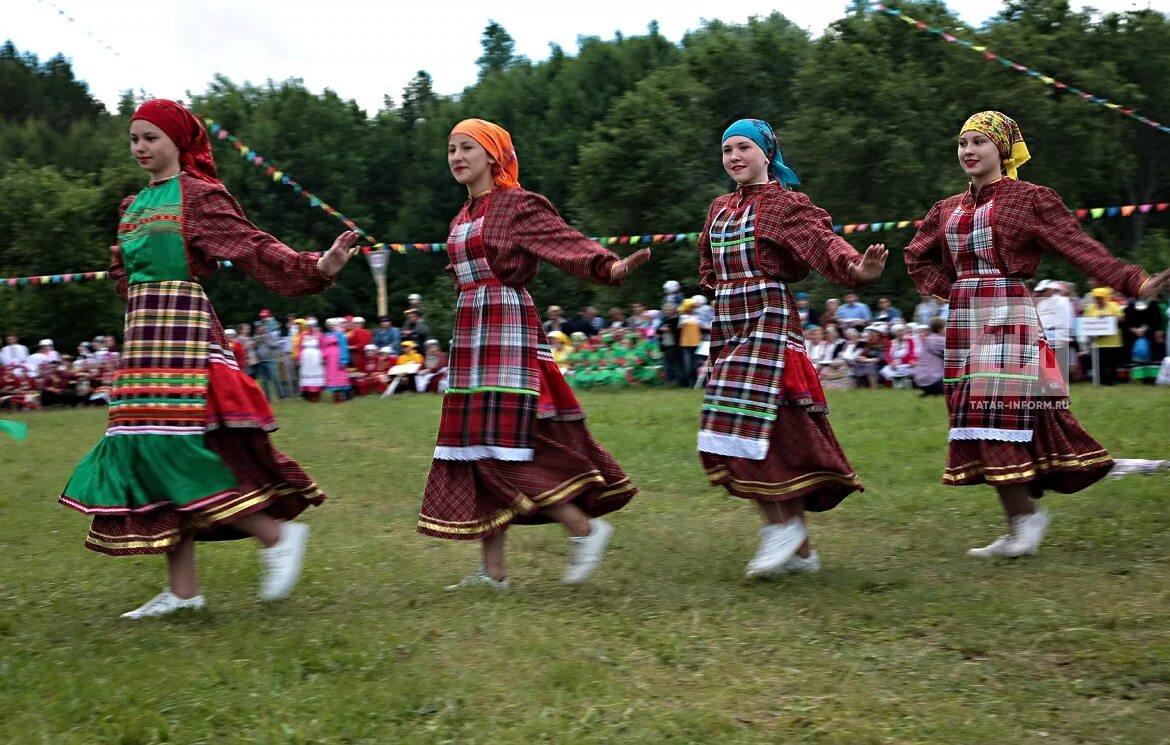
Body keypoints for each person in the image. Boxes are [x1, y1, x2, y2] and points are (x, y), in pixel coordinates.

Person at [58, 99, 358, 619]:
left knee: (184, 449)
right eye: (135, 139)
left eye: (151, 138)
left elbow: (254, 248)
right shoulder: (132, 206)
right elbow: (122, 273)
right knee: (148, 451)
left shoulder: (199, 197)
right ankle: (182, 591)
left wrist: (318, 266)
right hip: (143, 340)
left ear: (178, 141)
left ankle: (276, 535)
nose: (140, 148)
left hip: (186, 338)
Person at [904, 110, 1169, 559]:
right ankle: (1022, 521)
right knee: (982, 423)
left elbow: (1077, 246)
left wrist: (1135, 281)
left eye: (978, 143)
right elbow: (916, 256)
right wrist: (952, 289)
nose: (968, 151)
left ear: (1002, 149)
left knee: (999, 417)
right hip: (965, 320)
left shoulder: (1030, 198)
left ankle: (1027, 520)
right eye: (962, 144)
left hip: (1010, 315)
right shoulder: (946, 209)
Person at [421, 118, 650, 589]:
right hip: (471, 332)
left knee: (508, 443)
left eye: (468, 148)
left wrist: (608, 266)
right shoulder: (461, 216)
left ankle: (584, 528)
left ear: (493, 156)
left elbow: (563, 242)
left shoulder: (518, 205)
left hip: (507, 327)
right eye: (451, 150)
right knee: (476, 446)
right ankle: (493, 573)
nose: (457, 157)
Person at [698, 118, 887, 578]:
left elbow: (823, 243)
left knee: (768, 424)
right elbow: (707, 262)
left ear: (767, 153)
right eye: (727, 150)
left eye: (744, 147)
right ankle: (798, 550)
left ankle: (781, 531)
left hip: (768, 317)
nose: (735, 157)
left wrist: (855, 270)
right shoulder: (718, 207)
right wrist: (720, 289)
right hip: (729, 322)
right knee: (729, 428)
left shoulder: (785, 204)